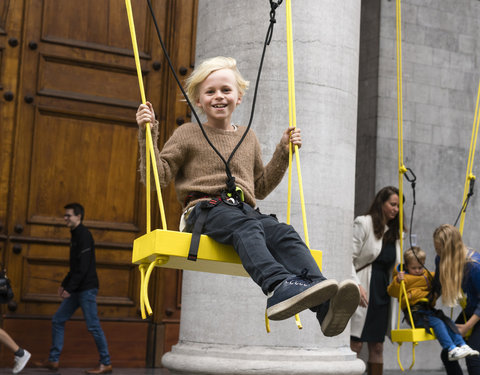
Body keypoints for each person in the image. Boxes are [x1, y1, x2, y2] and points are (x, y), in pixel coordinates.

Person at [135, 56, 360, 335]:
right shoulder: (188, 134)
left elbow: (260, 187)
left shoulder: (248, 137)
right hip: (204, 211)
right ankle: (278, 286)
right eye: (210, 91)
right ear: (199, 99)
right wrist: (148, 134)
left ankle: (324, 303)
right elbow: (158, 177)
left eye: (226, 90)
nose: (219, 96)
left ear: (239, 97)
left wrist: (282, 153)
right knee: (248, 225)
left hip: (244, 212)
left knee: (283, 232)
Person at [35, 203, 112, 374]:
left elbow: (83, 267)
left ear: (78, 216)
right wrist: (64, 284)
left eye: (68, 215)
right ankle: (53, 360)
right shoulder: (75, 235)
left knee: (93, 326)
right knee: (58, 319)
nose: (65, 218)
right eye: (65, 215)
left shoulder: (84, 235)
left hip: (87, 289)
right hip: (78, 288)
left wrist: (70, 288)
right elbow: (75, 267)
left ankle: (106, 363)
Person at [387, 246, 479, 361]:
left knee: (447, 321)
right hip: (415, 313)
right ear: (406, 266)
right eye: (413, 268)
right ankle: (451, 349)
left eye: (420, 267)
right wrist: (397, 281)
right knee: (438, 323)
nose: (417, 270)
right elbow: (392, 292)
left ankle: (462, 344)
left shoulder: (427, 275)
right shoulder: (403, 278)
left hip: (428, 310)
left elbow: (440, 278)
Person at [349, 186, 401, 375]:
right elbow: (347, 258)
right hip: (362, 287)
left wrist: (399, 274)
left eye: (398, 206)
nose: (396, 209)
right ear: (382, 203)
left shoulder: (395, 234)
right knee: (355, 343)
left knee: (377, 345)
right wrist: (356, 284)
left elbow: (394, 265)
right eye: (392, 204)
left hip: (382, 293)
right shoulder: (364, 223)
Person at [433, 224, 480, 374]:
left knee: (473, 358)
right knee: (448, 355)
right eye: (436, 248)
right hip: (472, 308)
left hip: (477, 310)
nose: (437, 253)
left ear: (450, 249)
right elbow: (437, 285)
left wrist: (466, 327)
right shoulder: (441, 259)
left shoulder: (474, 266)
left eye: (440, 249)